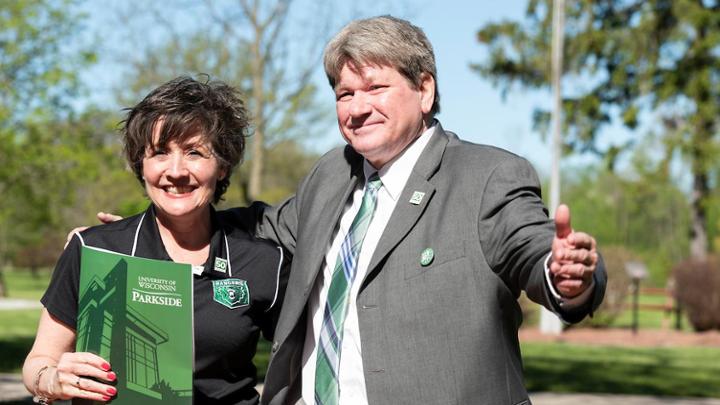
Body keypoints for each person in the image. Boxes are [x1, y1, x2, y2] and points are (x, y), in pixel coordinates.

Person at [224, 16, 606, 404]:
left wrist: (566, 276)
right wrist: (177, 207)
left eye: (375, 88)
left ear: (424, 89)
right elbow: (259, 229)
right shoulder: (330, 175)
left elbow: (534, 248)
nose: (357, 108)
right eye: (345, 94)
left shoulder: (487, 177)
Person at [23, 77, 288, 404]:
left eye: (194, 152)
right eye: (160, 153)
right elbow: (38, 361)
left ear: (222, 166)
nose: (175, 171)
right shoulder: (94, 249)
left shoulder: (265, 262)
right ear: (141, 164)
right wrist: (50, 379)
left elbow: (303, 364)